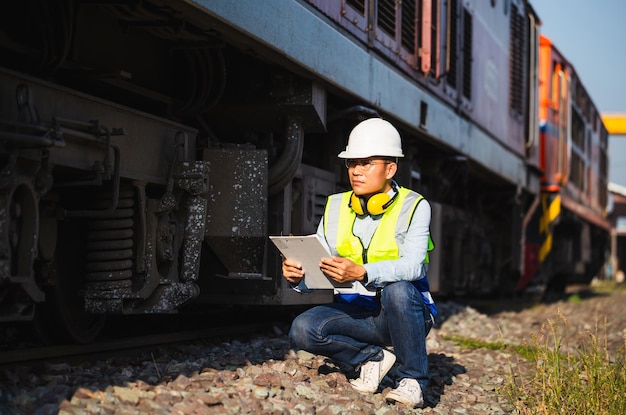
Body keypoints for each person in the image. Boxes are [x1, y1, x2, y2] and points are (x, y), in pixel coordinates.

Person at [282, 117, 437, 409]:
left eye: (367, 163)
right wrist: (298, 277)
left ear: (390, 169)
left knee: (399, 289)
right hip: (358, 315)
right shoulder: (336, 206)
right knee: (302, 329)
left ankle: (413, 380)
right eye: (352, 163)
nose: (356, 171)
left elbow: (414, 267)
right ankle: (372, 359)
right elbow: (321, 263)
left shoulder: (415, 206)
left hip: (405, 315)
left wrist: (364, 272)